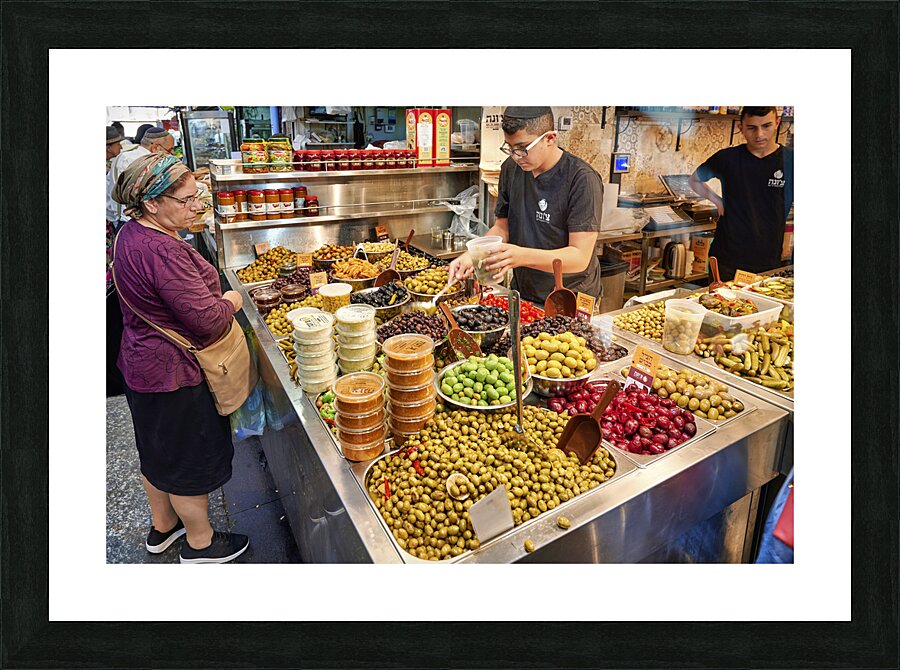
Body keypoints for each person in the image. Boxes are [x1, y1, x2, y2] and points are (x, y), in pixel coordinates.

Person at [111, 153, 250, 564]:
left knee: (156, 453)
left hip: (140, 367)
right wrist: (230, 299)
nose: (195, 208)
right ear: (151, 202)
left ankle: (164, 528)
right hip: (175, 376)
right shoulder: (161, 251)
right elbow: (206, 321)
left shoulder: (129, 233)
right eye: (187, 200)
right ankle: (201, 544)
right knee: (188, 463)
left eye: (197, 199)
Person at [448, 107, 603, 306]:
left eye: (523, 148)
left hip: (569, 298)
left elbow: (579, 257)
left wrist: (519, 256)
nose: (516, 156)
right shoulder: (511, 168)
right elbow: (502, 227)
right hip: (524, 292)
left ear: (550, 138)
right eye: (510, 148)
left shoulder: (582, 179)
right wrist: (474, 254)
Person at [688, 106, 794, 281]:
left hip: (768, 258)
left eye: (766, 126)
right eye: (752, 128)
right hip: (727, 258)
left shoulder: (792, 160)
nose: (759, 134)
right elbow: (694, 180)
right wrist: (717, 200)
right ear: (741, 128)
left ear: (777, 123)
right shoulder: (727, 158)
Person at [107, 127, 176, 225]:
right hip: (132, 222)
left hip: (132, 219)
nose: (171, 154)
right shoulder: (136, 160)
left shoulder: (135, 156)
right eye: (169, 150)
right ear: (155, 147)